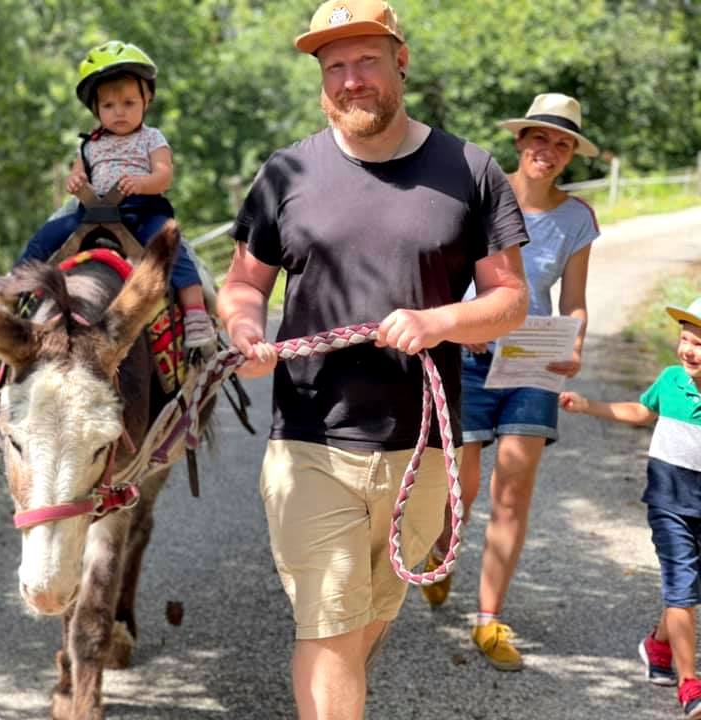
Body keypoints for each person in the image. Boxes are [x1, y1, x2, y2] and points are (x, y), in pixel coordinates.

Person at [216, 1, 530, 717]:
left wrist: (439, 320)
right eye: (334, 68)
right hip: (310, 444)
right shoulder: (287, 172)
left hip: (421, 451)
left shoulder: (471, 170)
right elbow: (242, 283)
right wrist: (243, 329)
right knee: (327, 630)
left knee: (364, 624)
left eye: (365, 62)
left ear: (400, 61)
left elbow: (509, 300)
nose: (350, 80)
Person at [419, 92, 601, 671]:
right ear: (521, 142)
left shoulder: (577, 219)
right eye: (540, 138)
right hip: (469, 355)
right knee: (462, 488)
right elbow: (442, 274)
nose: (548, 150)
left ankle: (489, 620)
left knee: (512, 493)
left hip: (532, 363)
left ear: (571, 155)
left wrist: (573, 343)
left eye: (562, 143)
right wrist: (461, 322)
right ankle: (442, 548)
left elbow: (573, 302)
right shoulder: (479, 198)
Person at [3, 40, 213, 348]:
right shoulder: (90, 145)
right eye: (109, 106)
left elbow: (164, 174)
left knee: (171, 247)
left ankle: (195, 313)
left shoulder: (152, 138)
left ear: (147, 99)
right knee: (47, 235)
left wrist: (143, 183)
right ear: (96, 109)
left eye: (129, 103)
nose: (119, 113)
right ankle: (13, 287)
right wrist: (75, 182)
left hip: (141, 209)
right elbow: (78, 173)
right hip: (89, 210)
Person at [560, 298, 701, 719]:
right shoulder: (671, 380)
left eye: (699, 343)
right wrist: (590, 407)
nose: (688, 349)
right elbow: (641, 411)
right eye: (685, 339)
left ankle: (658, 644)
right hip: (669, 504)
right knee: (682, 587)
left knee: (689, 586)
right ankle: (690, 682)